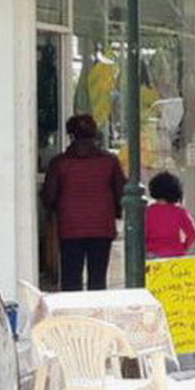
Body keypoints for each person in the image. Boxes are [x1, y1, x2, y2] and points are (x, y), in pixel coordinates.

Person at [41, 114, 126, 291]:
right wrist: (116, 213)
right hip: (102, 226)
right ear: (95, 134)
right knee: (98, 278)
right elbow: (121, 192)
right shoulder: (109, 161)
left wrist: (54, 210)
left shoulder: (60, 163)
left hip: (70, 227)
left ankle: (73, 316)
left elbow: (49, 195)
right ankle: (95, 315)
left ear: (70, 135)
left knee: (71, 279)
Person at [145, 171, 195, 258]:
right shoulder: (180, 211)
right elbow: (192, 233)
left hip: (153, 254)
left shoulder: (148, 212)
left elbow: (142, 235)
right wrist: (184, 247)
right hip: (176, 254)